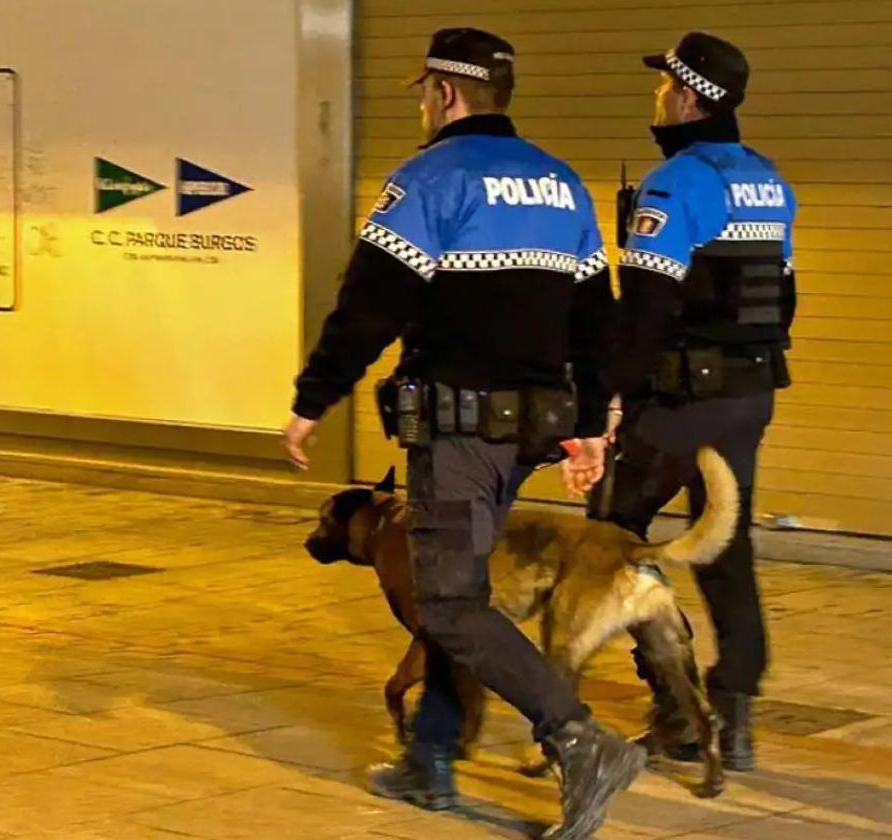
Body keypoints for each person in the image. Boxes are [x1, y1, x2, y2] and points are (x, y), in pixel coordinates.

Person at [283, 28, 644, 840]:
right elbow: (597, 322)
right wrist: (589, 426)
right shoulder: (561, 186)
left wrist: (314, 399)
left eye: (422, 92)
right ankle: (431, 760)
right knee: (462, 591)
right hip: (531, 431)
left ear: (444, 94)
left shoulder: (426, 180)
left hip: (459, 431)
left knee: (446, 605)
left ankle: (579, 740)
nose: (420, 104)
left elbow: (367, 306)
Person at [592, 31, 797, 772]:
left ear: (686, 95)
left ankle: (678, 711)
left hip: (679, 401)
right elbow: (787, 296)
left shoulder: (673, 184)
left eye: (662, 87)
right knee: (723, 543)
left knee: (614, 540)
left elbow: (644, 310)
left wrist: (611, 399)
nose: (657, 99)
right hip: (749, 395)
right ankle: (735, 715)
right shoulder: (770, 182)